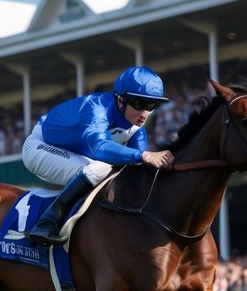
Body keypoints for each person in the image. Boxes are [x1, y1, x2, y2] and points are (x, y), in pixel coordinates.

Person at [22, 65, 176, 247]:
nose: (144, 113)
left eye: (151, 105)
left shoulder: (136, 126)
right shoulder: (97, 108)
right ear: (120, 100)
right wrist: (145, 155)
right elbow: (100, 148)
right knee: (100, 169)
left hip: (75, 153)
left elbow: (134, 168)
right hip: (41, 146)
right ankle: (46, 224)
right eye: (139, 104)